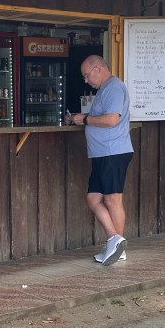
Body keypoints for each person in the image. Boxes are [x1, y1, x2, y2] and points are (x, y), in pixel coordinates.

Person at [66, 55, 133, 265]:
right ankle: (115, 241)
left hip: (112, 151)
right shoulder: (105, 89)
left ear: (98, 68)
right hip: (102, 153)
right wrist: (81, 118)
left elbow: (112, 119)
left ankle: (117, 246)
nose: (86, 80)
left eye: (87, 75)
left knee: (112, 200)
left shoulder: (113, 86)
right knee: (93, 199)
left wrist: (84, 119)